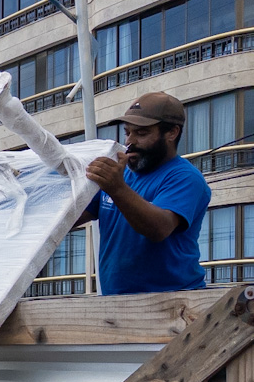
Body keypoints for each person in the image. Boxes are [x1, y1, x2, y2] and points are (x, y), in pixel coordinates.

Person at [79, 92, 211, 295]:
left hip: (174, 306)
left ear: (172, 133)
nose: (129, 143)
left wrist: (117, 188)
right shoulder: (120, 176)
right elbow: (69, 218)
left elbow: (158, 228)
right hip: (115, 304)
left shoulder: (185, 177)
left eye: (141, 133)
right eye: (127, 133)